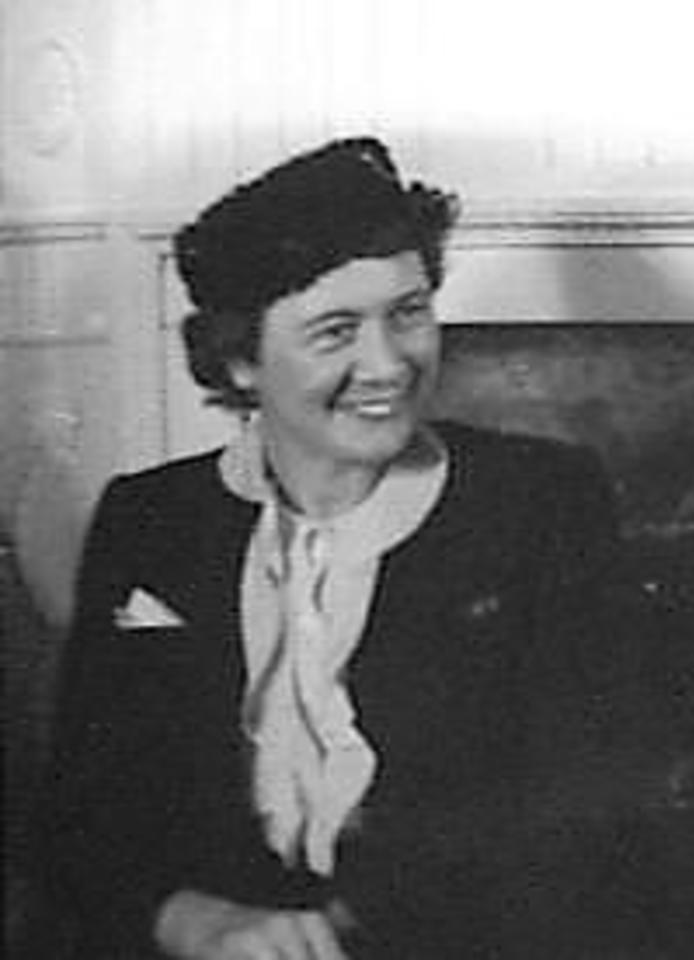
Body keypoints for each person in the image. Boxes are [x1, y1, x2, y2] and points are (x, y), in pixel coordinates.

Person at [42, 137, 619, 959]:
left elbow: (579, 824)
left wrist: (347, 936)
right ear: (241, 360)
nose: (387, 364)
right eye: (336, 330)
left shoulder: (541, 503)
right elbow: (79, 816)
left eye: (408, 313)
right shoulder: (150, 521)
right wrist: (194, 922)